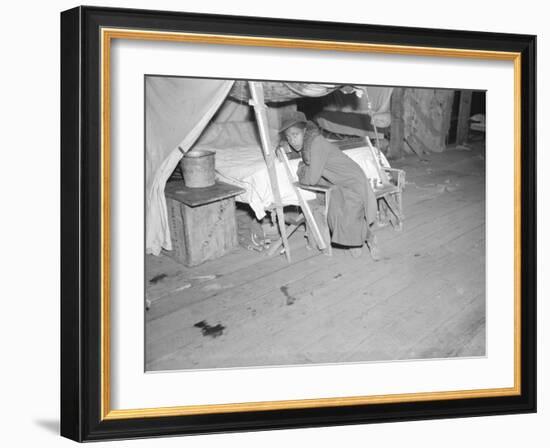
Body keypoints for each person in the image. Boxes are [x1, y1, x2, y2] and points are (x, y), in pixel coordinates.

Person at [280, 111, 380, 260]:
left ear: (305, 131)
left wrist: (301, 169)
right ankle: (362, 239)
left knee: (347, 212)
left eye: (295, 135)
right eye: (288, 137)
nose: (292, 141)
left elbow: (311, 179)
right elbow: (313, 169)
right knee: (335, 212)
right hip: (341, 182)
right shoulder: (308, 144)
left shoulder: (316, 143)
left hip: (353, 182)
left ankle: (366, 239)